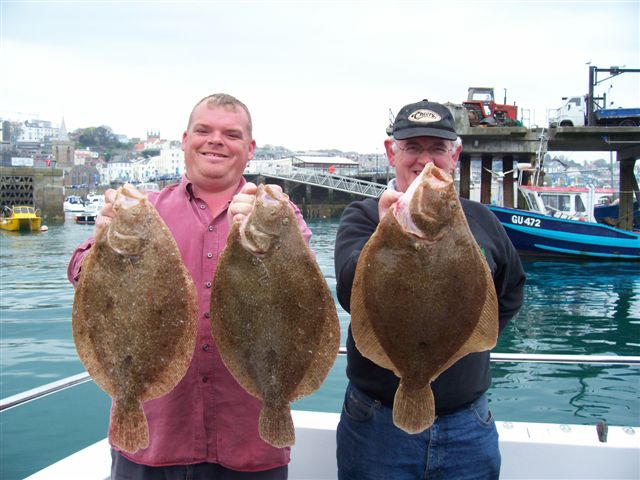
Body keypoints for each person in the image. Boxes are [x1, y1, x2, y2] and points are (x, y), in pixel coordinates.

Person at [68, 93, 312, 479]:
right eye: (204, 130)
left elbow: (307, 287)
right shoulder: (146, 210)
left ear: (249, 149)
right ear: (184, 140)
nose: (216, 140)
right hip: (154, 440)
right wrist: (102, 247)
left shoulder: (279, 213)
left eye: (231, 134)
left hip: (249, 444)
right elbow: (78, 270)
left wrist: (281, 227)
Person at [334, 99, 526, 480]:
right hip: (376, 423)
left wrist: (468, 338)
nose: (425, 160)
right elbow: (348, 289)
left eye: (437, 148)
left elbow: (511, 288)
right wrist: (385, 233)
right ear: (392, 152)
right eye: (413, 148)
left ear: (454, 155)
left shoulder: (482, 219)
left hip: (468, 424)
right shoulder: (363, 216)